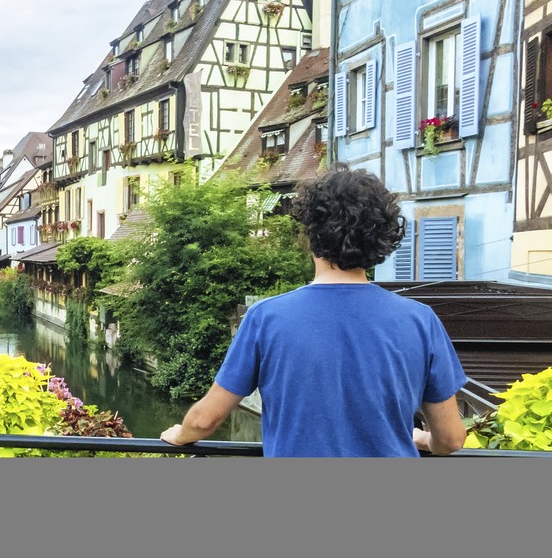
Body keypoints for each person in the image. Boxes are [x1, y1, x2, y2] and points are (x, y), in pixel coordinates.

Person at [161, 165, 468, 457]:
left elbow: (206, 420)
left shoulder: (266, 318)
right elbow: (451, 439)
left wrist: (181, 434)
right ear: (381, 240)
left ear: (311, 234)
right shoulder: (421, 320)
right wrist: (422, 438)